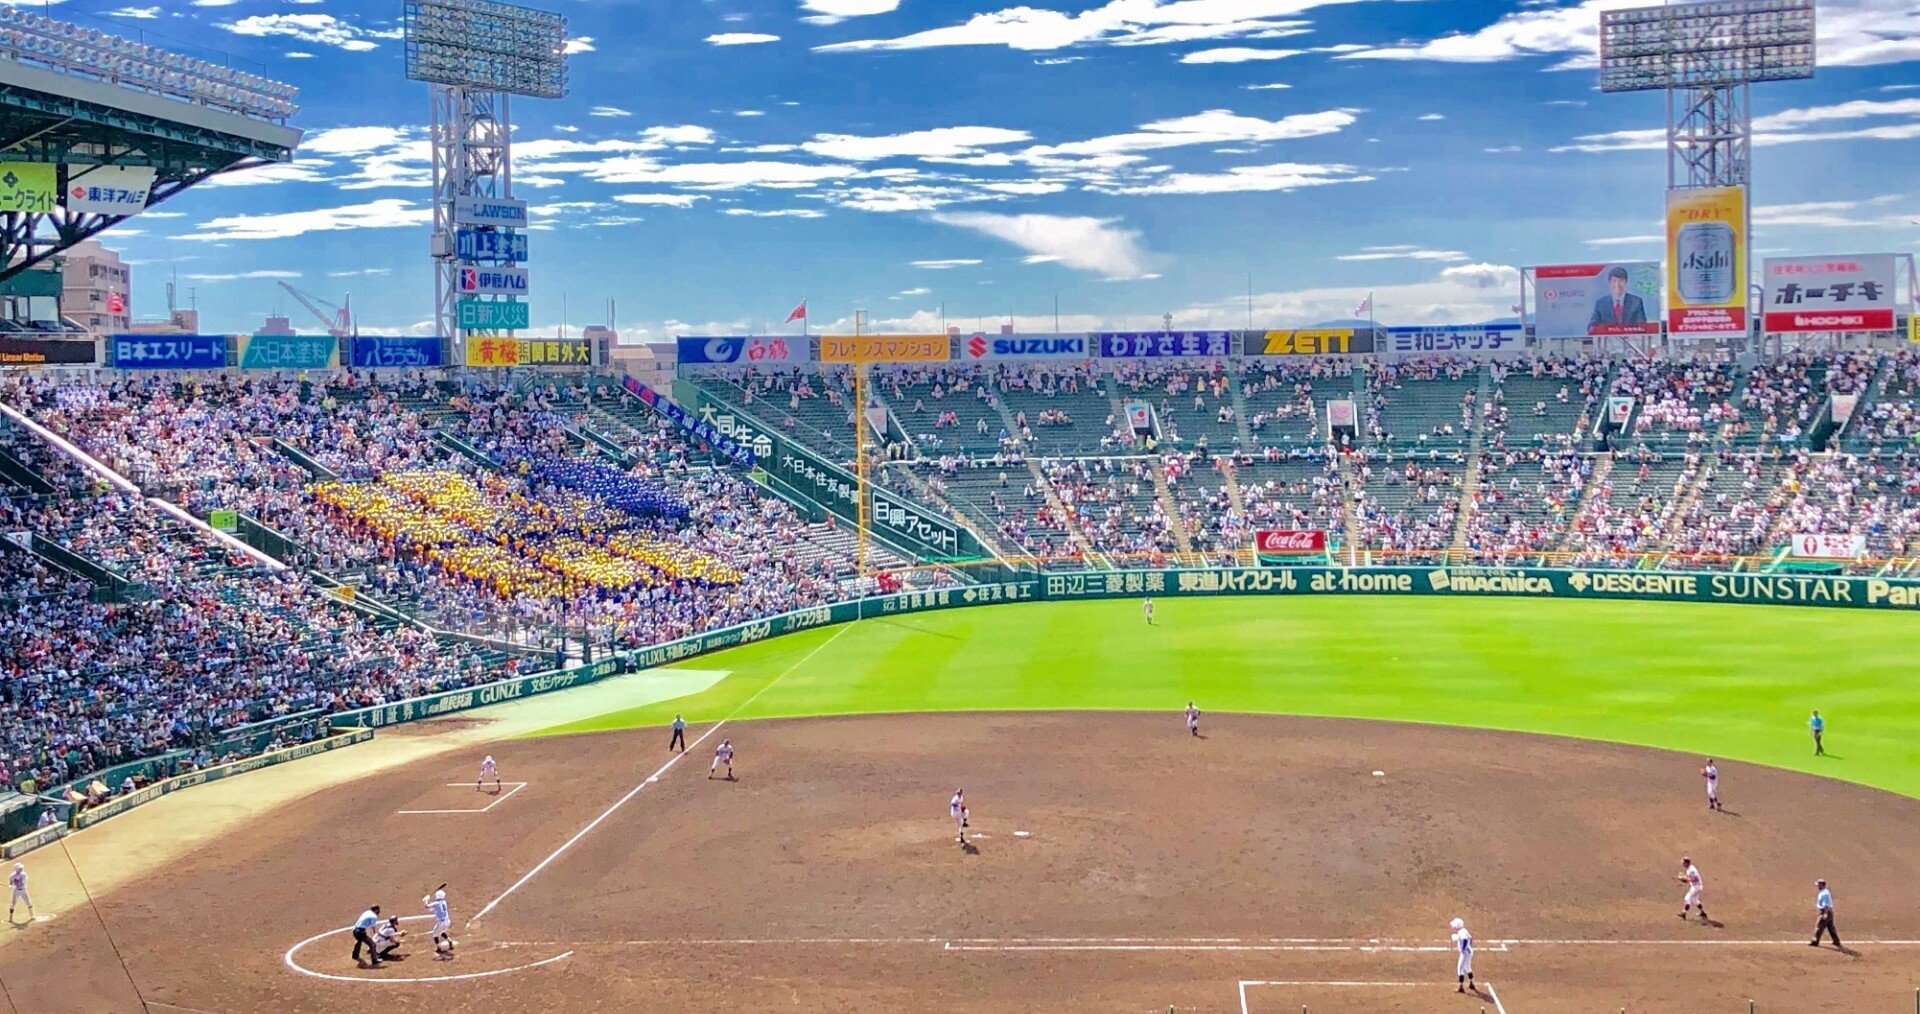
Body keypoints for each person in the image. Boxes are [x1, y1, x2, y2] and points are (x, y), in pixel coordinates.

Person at [1811, 879, 1840, 948]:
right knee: (1830, 927)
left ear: (1821, 884)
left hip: (1825, 911)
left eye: (1818, 884)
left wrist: (1825, 914)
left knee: (1819, 926)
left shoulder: (1824, 893)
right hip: (1828, 911)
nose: (1817, 886)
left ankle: (1815, 942)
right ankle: (1836, 941)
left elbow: (1826, 905)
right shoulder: (1825, 891)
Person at [1449, 917, 1475, 994]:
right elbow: (1470, 938)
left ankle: (1461, 987)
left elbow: (1465, 939)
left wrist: (1463, 949)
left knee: (1460, 969)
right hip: (1469, 951)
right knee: (1467, 967)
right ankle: (1471, 983)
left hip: (1465, 953)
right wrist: (1468, 946)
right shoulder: (1464, 930)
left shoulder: (1461, 932)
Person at [1677, 858, 1707, 922]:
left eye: (1683, 863)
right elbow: (1691, 878)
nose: (1682, 864)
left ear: (1687, 863)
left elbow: (1695, 878)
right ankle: (1702, 913)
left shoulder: (1691, 869)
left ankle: (1683, 913)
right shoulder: (1689, 868)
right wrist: (1685, 878)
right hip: (1698, 886)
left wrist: (1686, 879)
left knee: (1687, 898)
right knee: (1695, 900)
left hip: (1696, 886)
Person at [425, 887, 453, 957]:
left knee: (435, 934)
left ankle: (438, 947)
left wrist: (426, 900)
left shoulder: (436, 903)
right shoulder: (444, 902)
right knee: (441, 932)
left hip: (441, 922)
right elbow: (433, 908)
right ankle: (449, 941)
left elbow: (426, 906)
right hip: (447, 921)